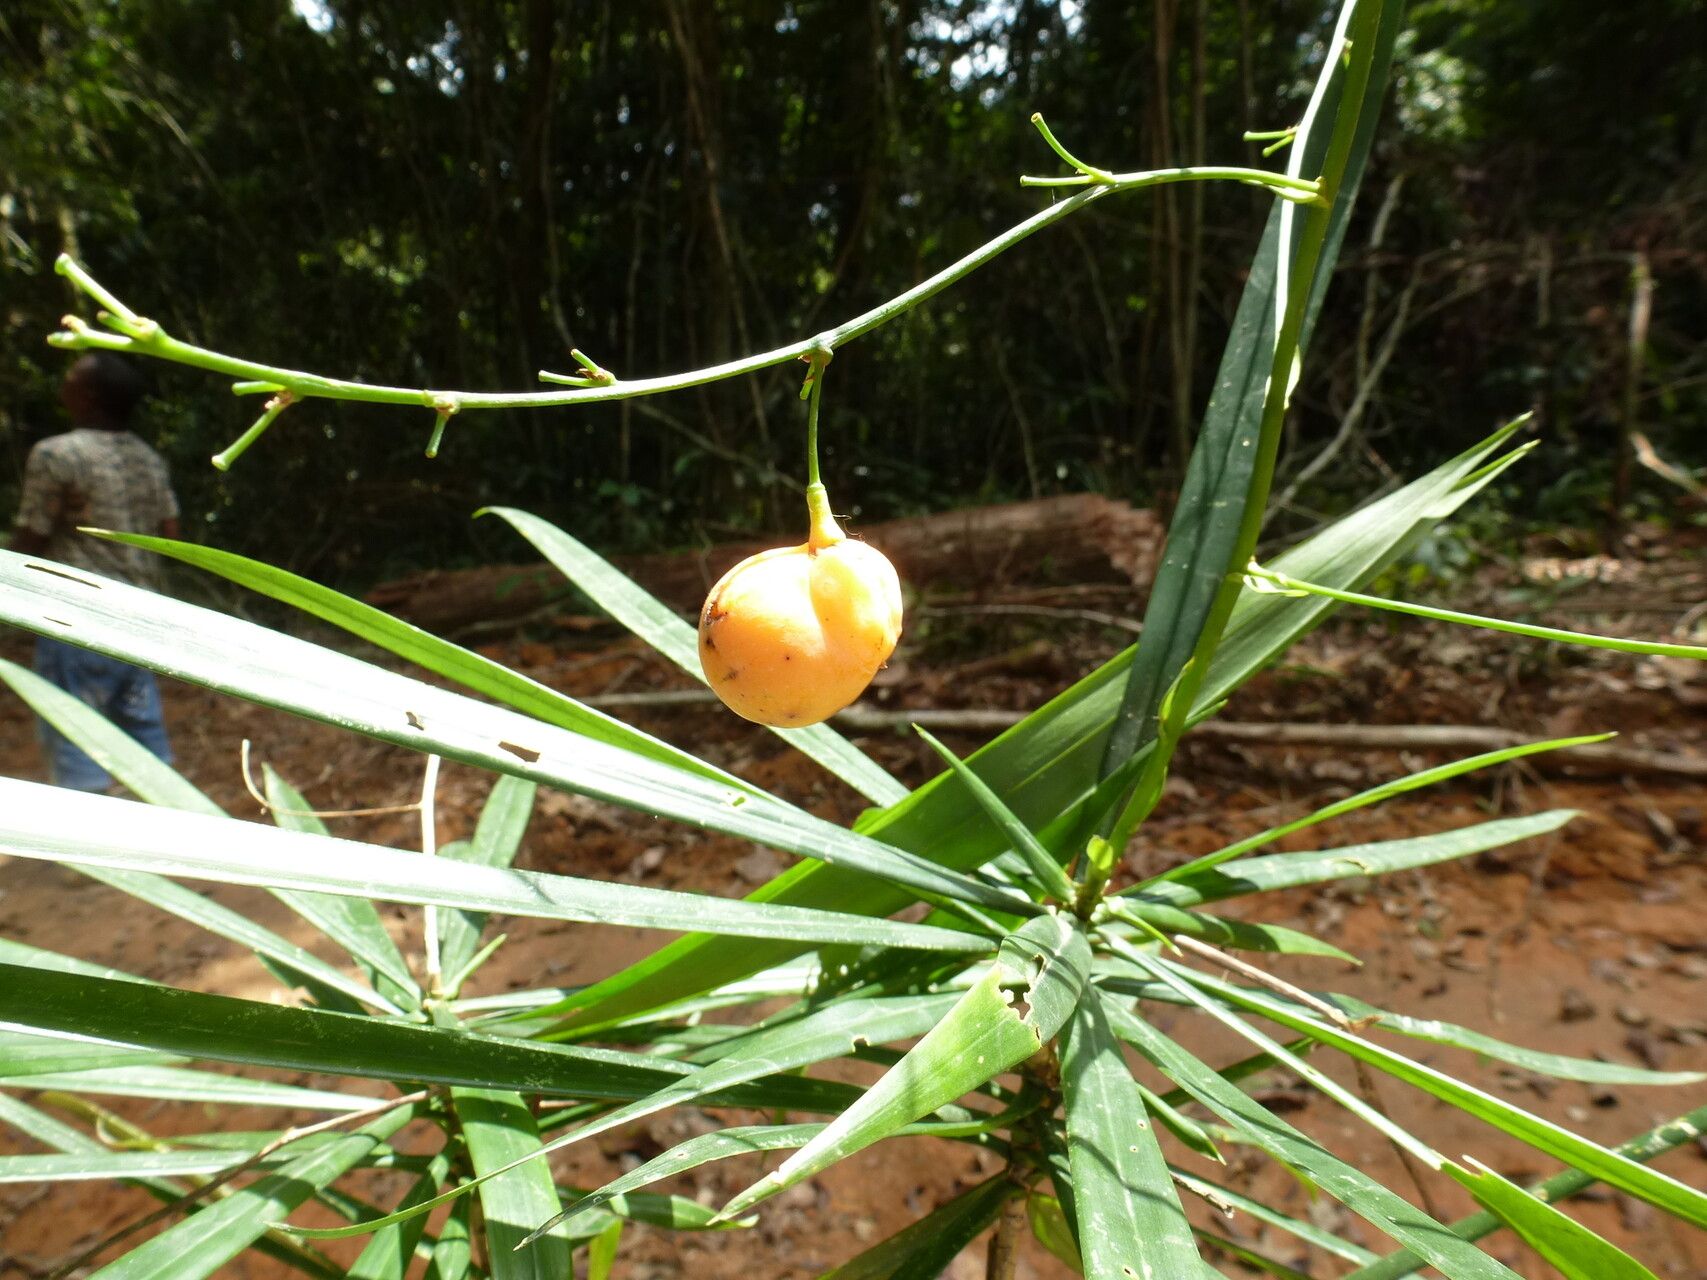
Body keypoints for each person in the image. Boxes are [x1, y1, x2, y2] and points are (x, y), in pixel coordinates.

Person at [11, 352, 181, 791]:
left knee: (76, 741)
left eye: (69, 378)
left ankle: (93, 854)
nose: (62, 385)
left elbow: (32, 537)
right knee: (145, 744)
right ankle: (166, 839)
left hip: (78, 619)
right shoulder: (149, 459)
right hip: (139, 620)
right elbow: (171, 532)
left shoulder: (56, 454)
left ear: (87, 395)